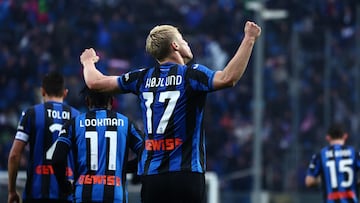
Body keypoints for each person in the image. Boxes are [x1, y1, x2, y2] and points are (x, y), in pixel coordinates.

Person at [80, 21, 261, 203]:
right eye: (182, 40)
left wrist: (88, 62)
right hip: (186, 175)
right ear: (175, 45)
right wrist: (249, 39)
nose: (186, 44)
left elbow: (95, 82)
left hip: (152, 178)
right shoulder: (191, 75)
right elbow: (228, 78)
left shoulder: (142, 77)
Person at [51, 86, 144, 203]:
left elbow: (57, 159)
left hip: (83, 195)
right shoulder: (126, 123)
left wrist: (64, 186)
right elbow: (147, 153)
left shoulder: (73, 124)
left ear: (87, 101)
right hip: (115, 196)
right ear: (111, 101)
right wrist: (125, 168)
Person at [8, 71, 80, 203]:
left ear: (42, 91)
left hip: (35, 194)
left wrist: (12, 190)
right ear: (65, 93)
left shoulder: (31, 113)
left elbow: (14, 155)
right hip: (67, 195)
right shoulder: (77, 117)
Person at [305, 123, 360, 203]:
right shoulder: (354, 154)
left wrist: (324, 177)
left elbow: (309, 181)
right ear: (345, 136)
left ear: (327, 138)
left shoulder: (320, 155)